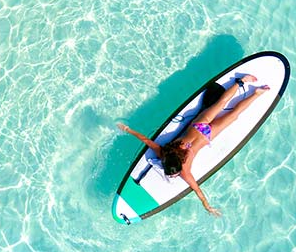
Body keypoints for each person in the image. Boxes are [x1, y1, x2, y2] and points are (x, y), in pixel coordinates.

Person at [116, 75, 271, 217]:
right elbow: (145, 139)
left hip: (207, 134)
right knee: (221, 104)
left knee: (234, 115)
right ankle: (241, 81)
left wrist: (207, 206)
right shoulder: (164, 152)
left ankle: (256, 93)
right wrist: (127, 129)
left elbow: (197, 190)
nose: (174, 175)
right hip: (199, 125)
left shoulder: (184, 171)